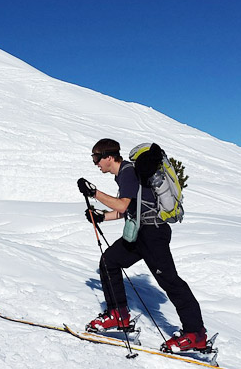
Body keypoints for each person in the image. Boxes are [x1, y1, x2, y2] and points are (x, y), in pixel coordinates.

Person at [77, 138, 207, 352]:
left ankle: (195, 333)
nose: (96, 163)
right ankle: (118, 314)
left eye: (96, 158)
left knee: (170, 282)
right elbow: (128, 209)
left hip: (153, 234)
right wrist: (101, 217)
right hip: (141, 233)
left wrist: (94, 193)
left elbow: (122, 204)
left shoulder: (127, 172)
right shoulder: (125, 175)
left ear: (109, 157)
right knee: (109, 261)